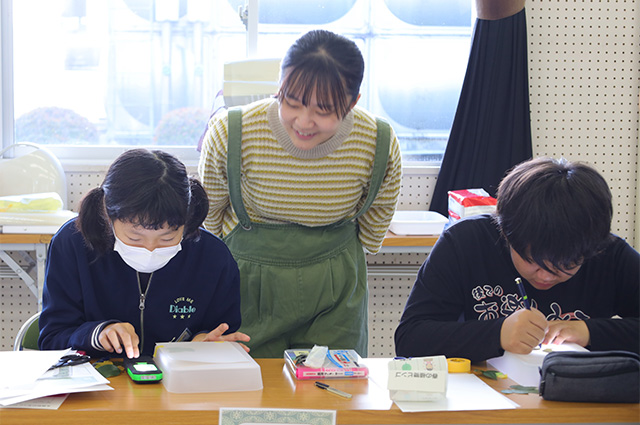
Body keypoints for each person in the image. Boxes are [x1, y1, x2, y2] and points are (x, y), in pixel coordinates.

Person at [198, 29, 402, 358]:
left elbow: (374, 229)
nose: (304, 122)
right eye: (291, 103)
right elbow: (209, 218)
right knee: (250, 393)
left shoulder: (377, 141)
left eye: (323, 111)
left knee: (332, 392)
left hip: (336, 295)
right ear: (279, 86)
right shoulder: (231, 132)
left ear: (352, 103)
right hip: (247, 286)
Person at [395, 157, 639, 363]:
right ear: (506, 234)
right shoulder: (466, 242)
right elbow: (411, 338)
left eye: (566, 266)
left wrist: (589, 331)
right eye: (532, 260)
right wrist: (498, 334)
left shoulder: (608, 252)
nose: (544, 275)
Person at [39, 149, 249, 359]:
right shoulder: (73, 243)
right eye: (135, 238)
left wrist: (207, 343)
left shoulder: (212, 257)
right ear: (107, 213)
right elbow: (51, 338)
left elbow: (223, 332)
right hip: (100, 381)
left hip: (182, 381)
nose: (150, 249)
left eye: (167, 238)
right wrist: (97, 334)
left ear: (187, 220)